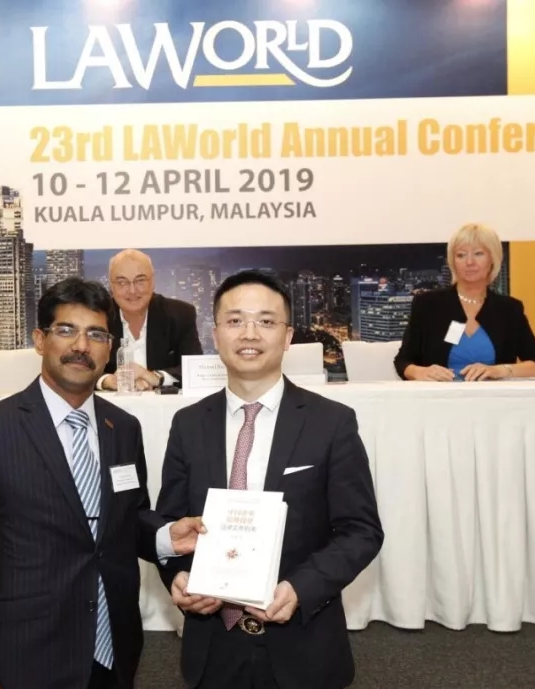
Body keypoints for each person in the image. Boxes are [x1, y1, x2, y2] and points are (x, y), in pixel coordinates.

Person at [0, 277, 206, 689]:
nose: (82, 345)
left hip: (114, 648)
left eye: (96, 334)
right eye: (66, 330)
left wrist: (167, 536)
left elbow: (126, 519)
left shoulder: (123, 428)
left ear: (110, 349)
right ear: (40, 340)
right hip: (25, 655)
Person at [155, 269, 384, 689]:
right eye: (235, 320)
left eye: (265, 321)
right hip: (212, 645)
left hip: (303, 644)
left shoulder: (331, 423)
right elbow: (170, 526)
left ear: (288, 335)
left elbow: (361, 531)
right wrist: (178, 577)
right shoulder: (188, 424)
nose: (250, 334)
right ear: (215, 334)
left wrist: (302, 588)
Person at [393, 223, 535, 382]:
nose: (469, 262)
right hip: (440, 395)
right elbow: (403, 361)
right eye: (461, 255)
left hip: (494, 396)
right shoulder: (428, 304)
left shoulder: (509, 309)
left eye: (478, 254)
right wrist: (420, 372)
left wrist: (501, 370)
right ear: (453, 261)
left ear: (492, 258)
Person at [97, 249, 202, 391]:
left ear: (153, 281)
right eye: (122, 282)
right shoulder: (99, 317)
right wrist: (106, 381)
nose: (132, 291)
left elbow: (195, 368)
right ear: (111, 285)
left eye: (140, 281)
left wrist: (156, 377)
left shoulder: (180, 314)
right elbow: (80, 367)